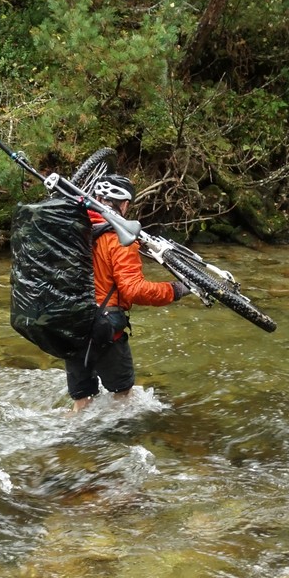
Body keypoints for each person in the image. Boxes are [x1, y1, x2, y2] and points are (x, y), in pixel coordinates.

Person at [66, 174, 189, 411]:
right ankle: (120, 446)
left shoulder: (73, 231)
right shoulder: (119, 240)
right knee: (122, 396)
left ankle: (73, 445)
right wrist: (174, 290)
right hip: (104, 330)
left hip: (69, 326)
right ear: (123, 204)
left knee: (81, 402)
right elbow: (134, 290)